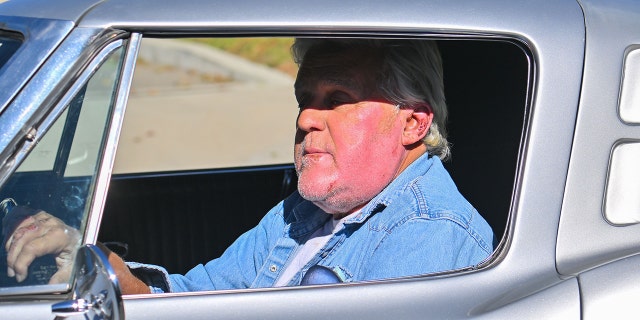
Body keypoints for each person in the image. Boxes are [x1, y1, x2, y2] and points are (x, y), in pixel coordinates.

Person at [4, 38, 494, 294]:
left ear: (412, 123)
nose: (305, 118)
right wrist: (93, 266)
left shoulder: (428, 233)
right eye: (305, 100)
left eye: (337, 99)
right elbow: (200, 297)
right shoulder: (306, 212)